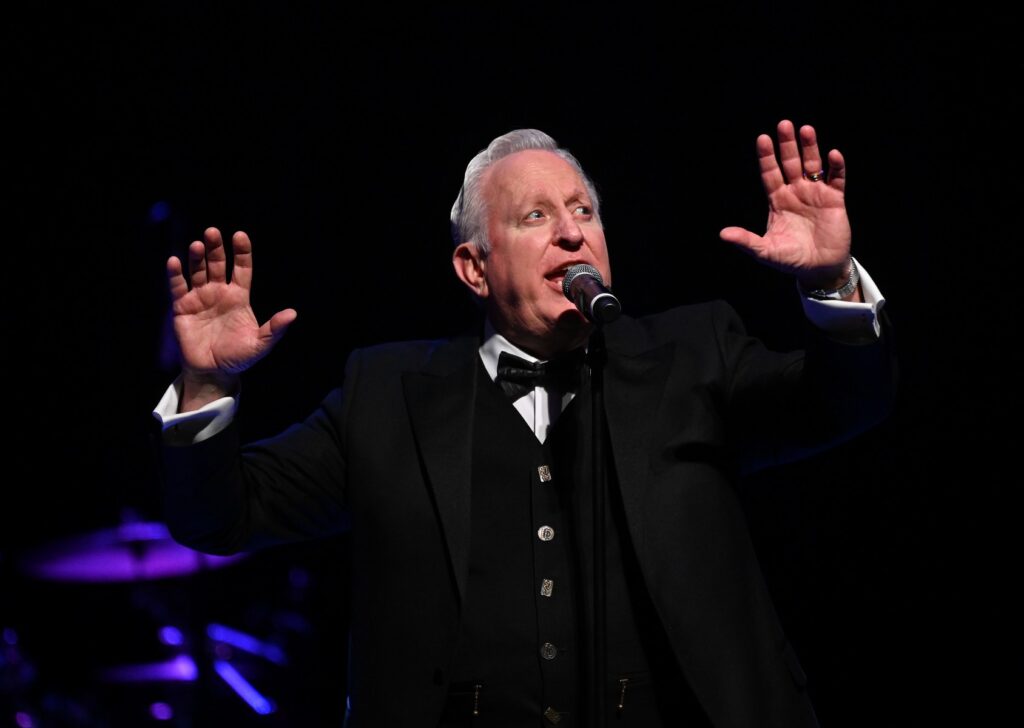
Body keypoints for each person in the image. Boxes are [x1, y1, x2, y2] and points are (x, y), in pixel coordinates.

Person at [154, 121, 894, 727]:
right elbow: (218, 517)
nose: (572, 234)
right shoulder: (384, 395)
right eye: (536, 217)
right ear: (474, 268)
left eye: (584, 211)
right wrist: (206, 384)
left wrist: (830, 281)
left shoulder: (694, 355)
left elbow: (845, 403)